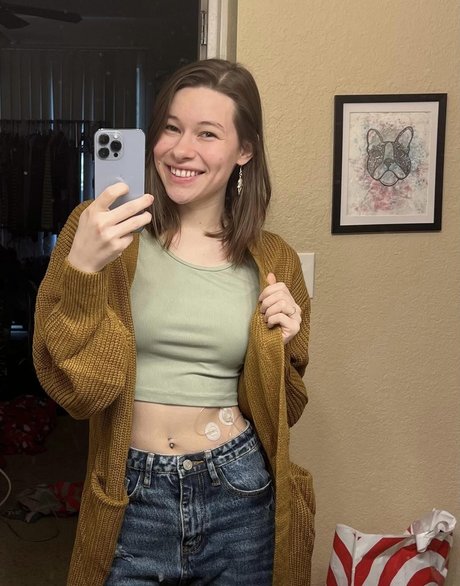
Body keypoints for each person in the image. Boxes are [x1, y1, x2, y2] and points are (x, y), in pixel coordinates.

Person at [33, 58, 315, 586]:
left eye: (207, 133)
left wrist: (284, 345)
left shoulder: (274, 260)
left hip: (239, 490)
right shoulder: (100, 234)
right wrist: (83, 270)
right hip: (131, 491)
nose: (182, 150)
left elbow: (288, 412)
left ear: (245, 150)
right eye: (171, 127)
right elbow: (80, 393)